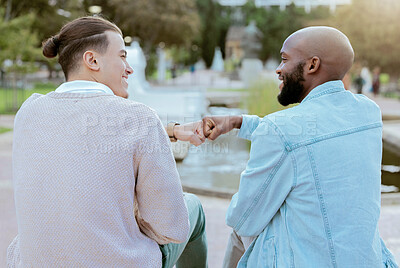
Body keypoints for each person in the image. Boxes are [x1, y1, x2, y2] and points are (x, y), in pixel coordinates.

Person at [7, 16, 207, 268]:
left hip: (36, 262)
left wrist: (171, 132)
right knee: (194, 209)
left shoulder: (28, 112)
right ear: (92, 60)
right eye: (122, 56)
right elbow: (170, 229)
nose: (130, 68)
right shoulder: (140, 118)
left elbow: (84, 133)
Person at [202, 26, 398, 267]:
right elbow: (307, 132)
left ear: (312, 65)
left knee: (244, 229)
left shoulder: (280, 129)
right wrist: (238, 122)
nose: (278, 69)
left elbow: (243, 219)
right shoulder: (368, 113)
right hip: (368, 260)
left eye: (284, 59)